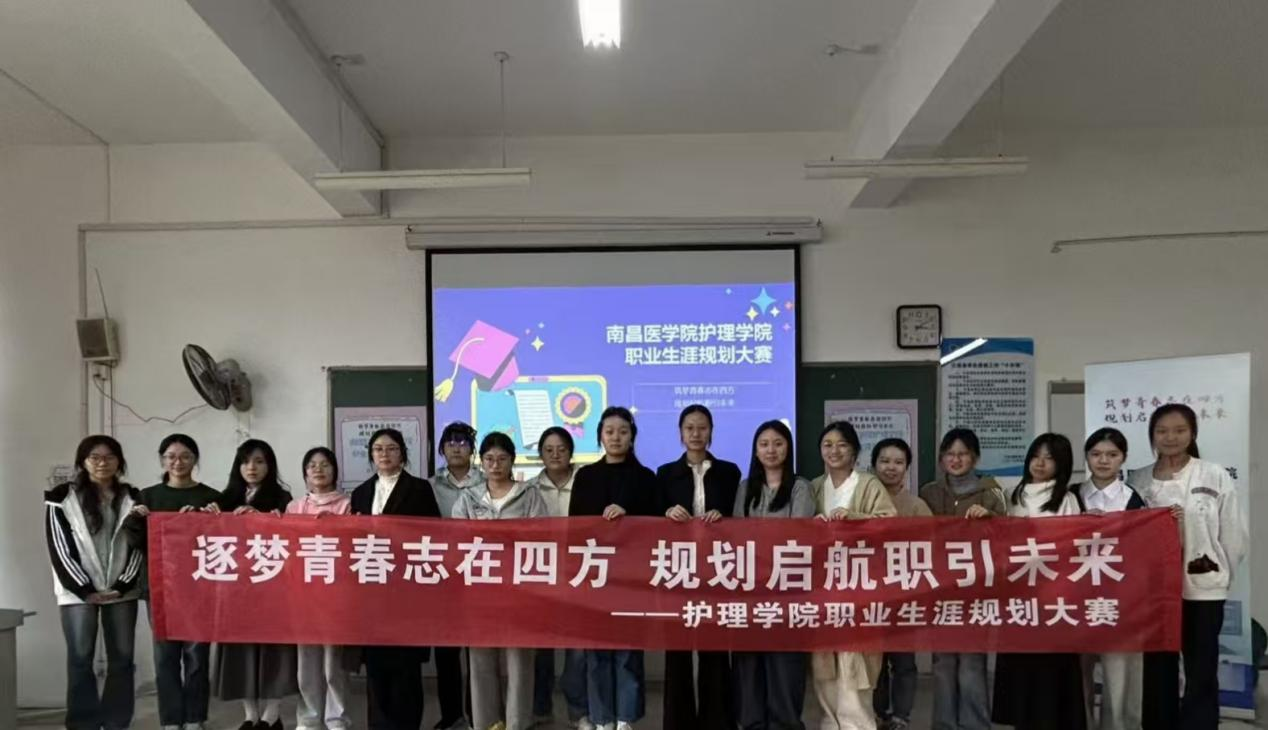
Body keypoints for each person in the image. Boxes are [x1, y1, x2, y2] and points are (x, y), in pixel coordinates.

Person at [1128, 404, 1247, 730]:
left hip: (1203, 588)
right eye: (1162, 431)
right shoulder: (1138, 479)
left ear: (1192, 433)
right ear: (1152, 435)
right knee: (1158, 664)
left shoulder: (1213, 474)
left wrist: (1220, 574)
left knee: (1201, 665)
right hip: (1154, 592)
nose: (1171, 437)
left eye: (1179, 430)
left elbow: (1233, 532)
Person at [45, 435, 144, 730]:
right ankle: (82, 723)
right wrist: (84, 589)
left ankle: (116, 722)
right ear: (83, 462)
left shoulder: (133, 497)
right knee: (80, 658)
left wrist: (122, 585)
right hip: (77, 593)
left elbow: (140, 545)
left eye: (110, 457)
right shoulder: (61, 497)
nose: (102, 463)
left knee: (122, 659)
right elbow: (59, 547)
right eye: (95, 457)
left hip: (121, 591)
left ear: (119, 462)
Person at [569, 406, 659, 730]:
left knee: (628, 652)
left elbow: (656, 525)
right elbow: (574, 526)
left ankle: (625, 718)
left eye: (623, 431)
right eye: (609, 432)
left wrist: (628, 515)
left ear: (632, 436)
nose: (616, 437)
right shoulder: (586, 476)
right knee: (596, 653)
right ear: (600, 437)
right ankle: (602, 718)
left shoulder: (646, 477)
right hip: (593, 574)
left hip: (632, 576)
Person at [455, 432, 550, 730]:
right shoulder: (468, 497)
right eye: (489, 459)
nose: (495, 465)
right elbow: (456, 540)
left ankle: (517, 722)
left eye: (502, 459)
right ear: (481, 462)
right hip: (480, 590)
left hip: (519, 591)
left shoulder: (530, 495)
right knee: (480, 659)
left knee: (519, 661)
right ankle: (486, 723)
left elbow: (541, 539)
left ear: (512, 461)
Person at [991, 433, 1086, 730]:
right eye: (1036, 456)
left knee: (1051, 664)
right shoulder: (1010, 496)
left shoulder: (1067, 499)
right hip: (1017, 595)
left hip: (1053, 595)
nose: (1040, 463)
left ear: (1062, 464)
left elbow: (1074, 546)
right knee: (1021, 664)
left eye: (1049, 458)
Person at [125, 434, 220, 730]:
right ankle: (170, 719)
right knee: (165, 656)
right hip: (160, 587)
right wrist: (136, 519)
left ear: (195, 460)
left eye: (185, 456)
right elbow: (135, 542)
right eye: (171, 456)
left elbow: (224, 543)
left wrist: (213, 520)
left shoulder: (210, 497)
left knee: (197, 655)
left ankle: (195, 718)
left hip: (199, 587)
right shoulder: (148, 497)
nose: (178, 462)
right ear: (162, 460)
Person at [350, 427, 443, 730]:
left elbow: (433, 535)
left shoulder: (419, 489)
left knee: (406, 665)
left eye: (391, 448)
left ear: (402, 453)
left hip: (407, 589)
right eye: (378, 449)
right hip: (372, 589)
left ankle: (406, 724)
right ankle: (379, 724)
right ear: (371, 455)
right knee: (376, 665)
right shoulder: (361, 492)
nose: (385, 454)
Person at [657, 405, 741, 730]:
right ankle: (678, 722)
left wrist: (724, 517)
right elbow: (651, 517)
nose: (696, 433)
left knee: (714, 650)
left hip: (717, 570)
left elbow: (740, 517)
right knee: (677, 651)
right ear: (680, 433)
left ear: (711, 431)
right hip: (677, 570)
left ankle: (717, 721)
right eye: (689, 427)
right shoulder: (665, 473)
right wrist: (666, 513)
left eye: (702, 427)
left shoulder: (729, 472)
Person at [810, 421, 897, 730]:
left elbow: (890, 523)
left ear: (855, 451)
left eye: (842, 444)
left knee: (856, 660)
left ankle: (858, 725)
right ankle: (830, 722)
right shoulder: (814, 486)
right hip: (822, 586)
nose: (834, 451)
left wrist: (854, 518)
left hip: (861, 584)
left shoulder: (868, 484)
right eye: (827, 445)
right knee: (824, 661)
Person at [206, 439, 298, 730]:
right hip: (236, 589)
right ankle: (250, 714)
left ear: (269, 465)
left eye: (259, 461)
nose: (252, 467)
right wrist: (204, 516)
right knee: (241, 648)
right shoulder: (225, 498)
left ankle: (272, 713)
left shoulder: (282, 498)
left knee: (273, 648)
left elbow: (293, 537)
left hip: (272, 587)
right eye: (246, 462)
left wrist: (263, 520)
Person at [731, 420, 815, 730]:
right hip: (750, 589)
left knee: (784, 664)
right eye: (764, 444)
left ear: (788, 449)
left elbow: (799, 534)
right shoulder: (745, 487)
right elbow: (737, 535)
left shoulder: (800, 487)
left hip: (787, 590)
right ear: (755, 450)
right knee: (749, 663)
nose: (771, 450)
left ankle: (785, 724)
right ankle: (752, 723)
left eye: (778, 443)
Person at [919, 428, 1004, 730]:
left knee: (971, 662)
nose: (955, 460)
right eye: (949, 454)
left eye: (963, 454)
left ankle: (975, 724)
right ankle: (944, 724)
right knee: (943, 662)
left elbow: (1009, 538)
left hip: (975, 590)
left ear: (975, 458)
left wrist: (990, 520)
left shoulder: (991, 493)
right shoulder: (929, 493)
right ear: (942, 459)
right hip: (940, 589)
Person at [1078, 428, 1145, 730]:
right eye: (1096, 454)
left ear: (1123, 458)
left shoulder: (1135, 500)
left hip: (1121, 598)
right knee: (1077, 672)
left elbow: (1145, 550)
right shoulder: (1071, 495)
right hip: (1075, 597)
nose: (1103, 461)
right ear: (1087, 457)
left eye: (1112, 454)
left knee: (1120, 674)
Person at [525, 427, 587, 728]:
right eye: (548, 450)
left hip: (579, 574)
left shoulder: (586, 484)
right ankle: (541, 708)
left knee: (578, 650)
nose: (555, 455)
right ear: (540, 454)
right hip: (540, 576)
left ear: (571, 452)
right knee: (541, 650)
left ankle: (578, 711)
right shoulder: (529, 488)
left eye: (561, 449)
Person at [286, 447, 353, 730]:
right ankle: (309, 717)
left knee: (333, 663)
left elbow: (352, 546)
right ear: (305, 473)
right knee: (307, 661)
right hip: (304, 593)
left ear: (334, 470)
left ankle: (337, 718)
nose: (318, 469)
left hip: (336, 594)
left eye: (325, 464)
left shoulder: (347, 504)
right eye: (312, 465)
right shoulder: (294, 507)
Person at [869, 438, 930, 730]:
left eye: (898, 462)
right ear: (873, 465)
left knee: (904, 662)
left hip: (905, 595)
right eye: (884, 461)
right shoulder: (861, 502)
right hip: (869, 595)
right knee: (875, 662)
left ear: (907, 467)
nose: (890, 467)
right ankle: (878, 712)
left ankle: (901, 716)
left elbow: (931, 550)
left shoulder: (917, 506)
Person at [430, 421, 484, 730]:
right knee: (446, 652)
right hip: (443, 576)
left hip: (479, 574)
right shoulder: (429, 485)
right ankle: (451, 715)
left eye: (463, 442)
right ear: (442, 448)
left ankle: (477, 714)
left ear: (472, 449)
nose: (456, 447)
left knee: (477, 652)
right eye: (450, 442)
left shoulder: (487, 481)